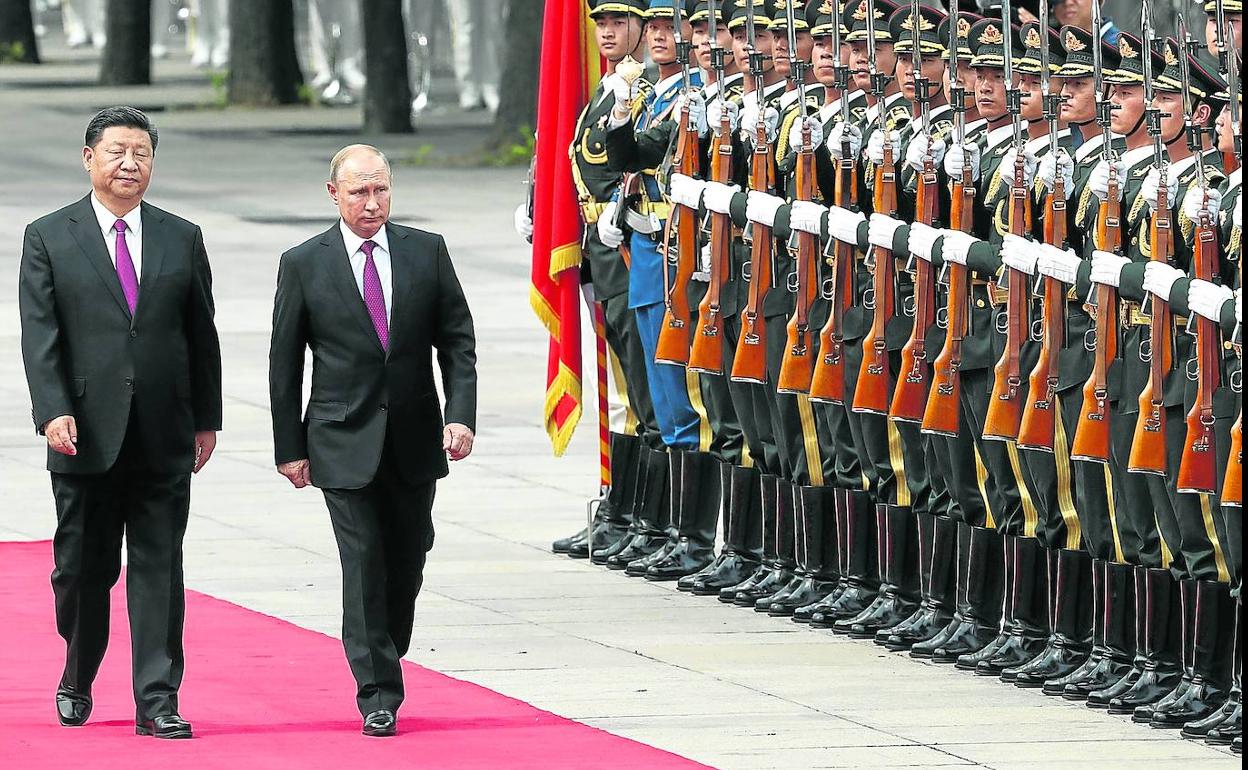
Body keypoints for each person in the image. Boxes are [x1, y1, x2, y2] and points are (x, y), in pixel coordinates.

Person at [18, 106, 223, 740]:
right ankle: (77, 673)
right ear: (89, 159)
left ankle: (157, 700)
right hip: (83, 432)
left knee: (161, 567)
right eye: (117, 152)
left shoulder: (181, 236)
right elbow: (41, 336)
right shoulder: (50, 235)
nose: (129, 164)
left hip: (165, 431)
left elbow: (200, 333)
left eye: (141, 153)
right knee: (82, 569)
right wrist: (53, 409)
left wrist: (207, 419)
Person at [268, 144, 477, 737]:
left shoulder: (425, 252)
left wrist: (460, 415)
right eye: (359, 191)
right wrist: (291, 446)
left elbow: (457, 341)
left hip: (414, 438)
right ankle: (377, 691)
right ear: (333, 194)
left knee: (406, 560)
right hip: (340, 438)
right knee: (362, 561)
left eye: (381, 189)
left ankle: (386, 644)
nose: (372, 202)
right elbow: (285, 364)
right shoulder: (304, 263)